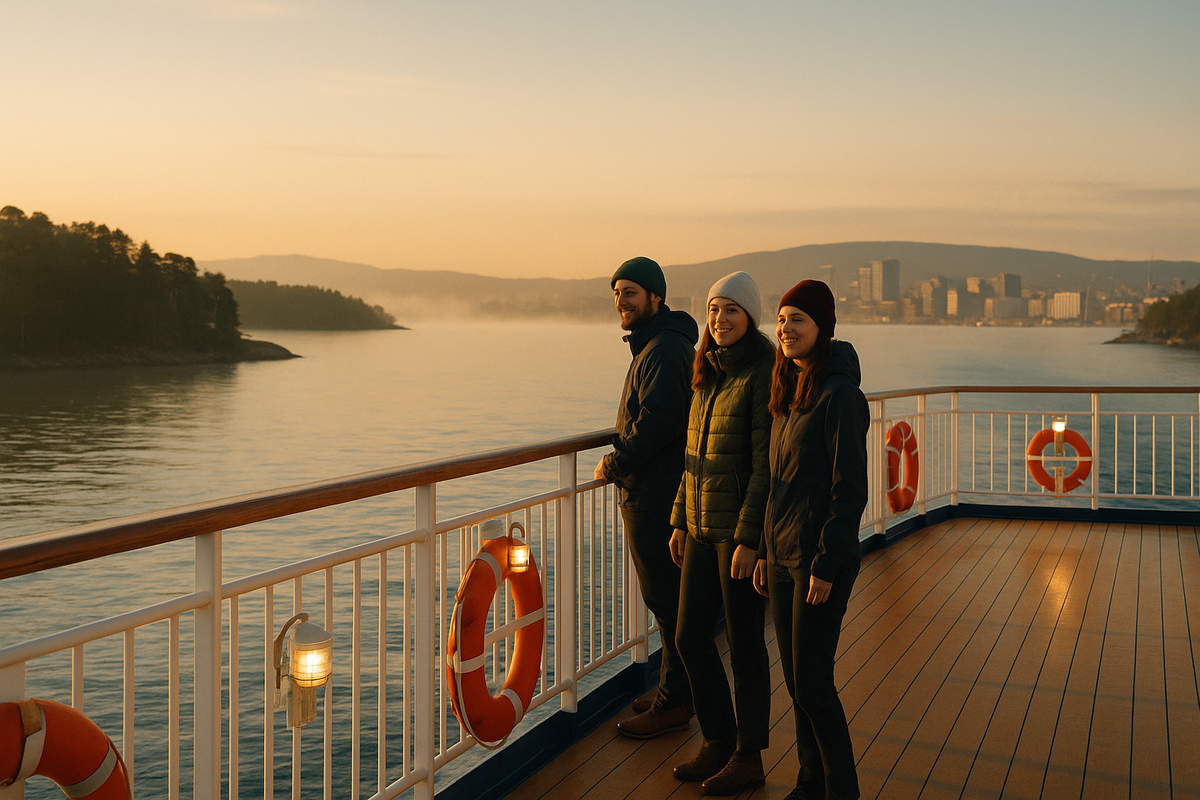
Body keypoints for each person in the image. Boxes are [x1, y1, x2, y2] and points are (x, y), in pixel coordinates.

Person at [753, 280, 869, 800]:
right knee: (798, 681)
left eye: (798, 319)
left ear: (822, 328)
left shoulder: (840, 395)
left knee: (814, 683)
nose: (786, 329)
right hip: (782, 555)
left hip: (819, 560)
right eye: (781, 320)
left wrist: (825, 563)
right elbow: (778, 482)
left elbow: (849, 491)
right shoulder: (790, 389)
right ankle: (810, 782)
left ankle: (842, 790)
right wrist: (765, 550)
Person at [668, 271, 774, 795]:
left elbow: (764, 466)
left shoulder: (761, 373)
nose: (720, 319)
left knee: (745, 642)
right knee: (689, 635)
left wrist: (750, 539)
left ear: (749, 316)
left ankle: (748, 756)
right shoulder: (707, 369)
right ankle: (717, 739)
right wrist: (679, 519)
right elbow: (693, 455)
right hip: (701, 526)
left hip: (737, 532)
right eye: (714, 309)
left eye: (731, 309)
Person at [594, 255, 699, 738]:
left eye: (631, 293)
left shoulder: (664, 348)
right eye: (617, 293)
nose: (622, 301)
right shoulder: (656, 344)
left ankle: (677, 702)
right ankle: (671, 690)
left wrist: (615, 464)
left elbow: (658, 422)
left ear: (656, 297)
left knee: (667, 600)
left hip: (657, 495)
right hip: (653, 491)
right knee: (665, 600)